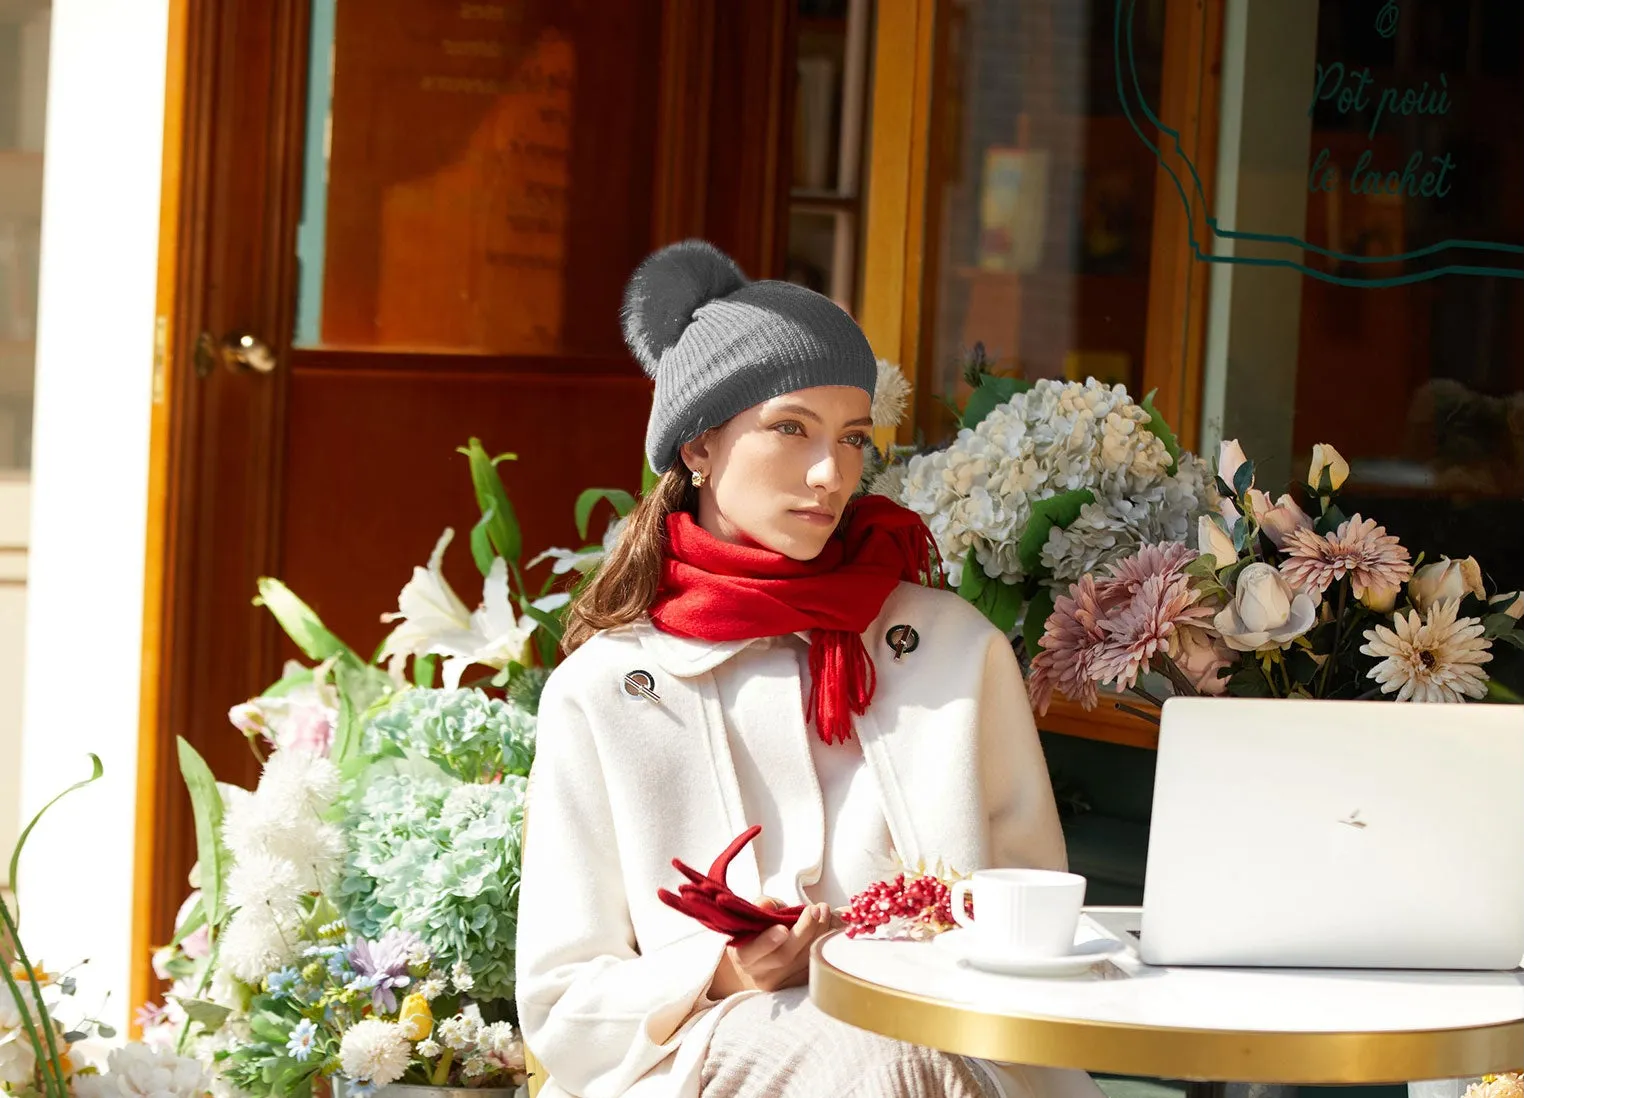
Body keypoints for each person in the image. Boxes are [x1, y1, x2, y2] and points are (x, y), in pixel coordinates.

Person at [515, 240, 1105, 1098]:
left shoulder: (952, 648)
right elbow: (564, 1004)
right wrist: (721, 972)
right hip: (703, 1057)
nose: (832, 474)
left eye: (854, 438)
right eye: (790, 428)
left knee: (892, 1059)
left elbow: (1036, 922)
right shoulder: (605, 690)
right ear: (698, 449)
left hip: (951, 1052)